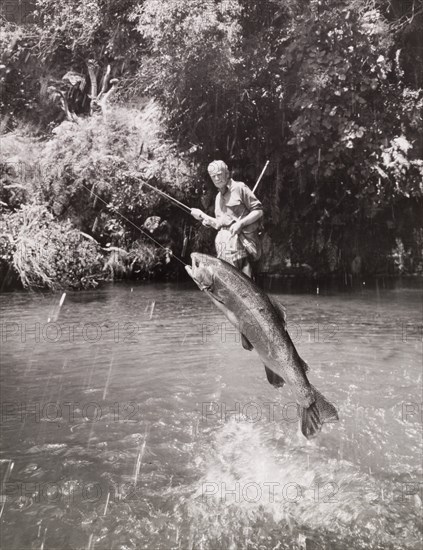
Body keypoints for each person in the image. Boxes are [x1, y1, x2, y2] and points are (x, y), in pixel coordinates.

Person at [191, 160, 263, 277]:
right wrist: (201, 216)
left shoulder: (240, 188)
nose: (217, 178)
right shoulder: (218, 197)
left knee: (244, 287)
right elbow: (219, 224)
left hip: (241, 248)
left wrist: (241, 224)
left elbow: (258, 211)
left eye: (219, 174)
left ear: (227, 173)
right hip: (223, 250)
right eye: (213, 176)